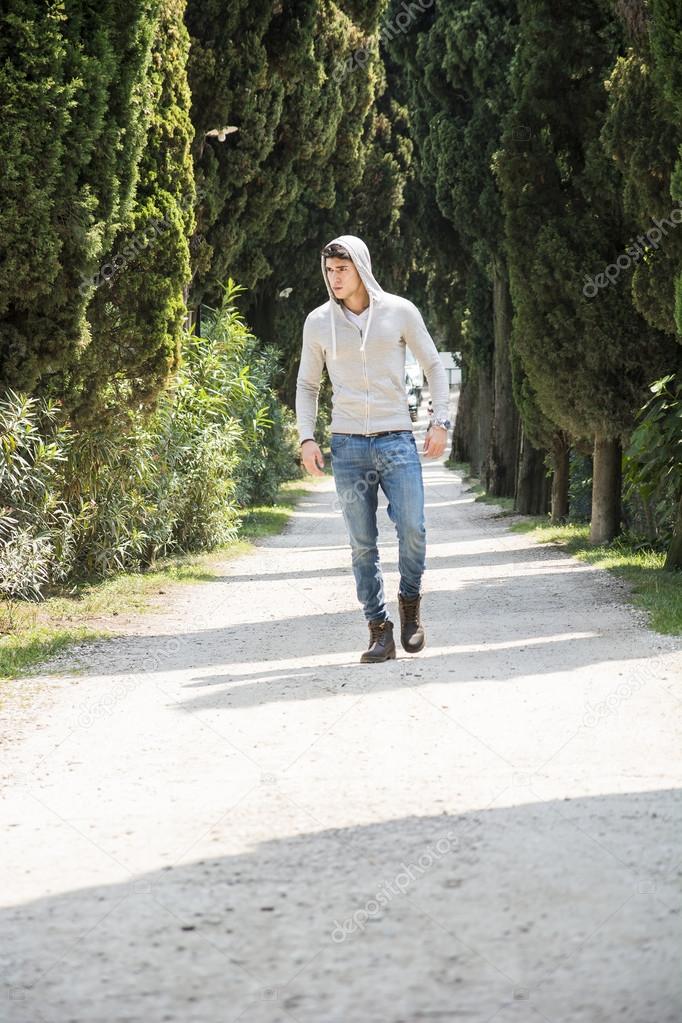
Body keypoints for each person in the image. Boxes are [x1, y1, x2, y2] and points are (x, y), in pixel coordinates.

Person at [295, 235, 451, 664]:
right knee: (362, 543)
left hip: (396, 439)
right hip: (347, 446)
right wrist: (306, 437)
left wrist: (440, 421)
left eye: (342, 269)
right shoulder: (317, 322)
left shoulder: (399, 311)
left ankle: (410, 605)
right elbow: (308, 385)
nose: (335, 278)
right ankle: (379, 630)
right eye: (329, 270)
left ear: (361, 267)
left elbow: (434, 366)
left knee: (414, 528)